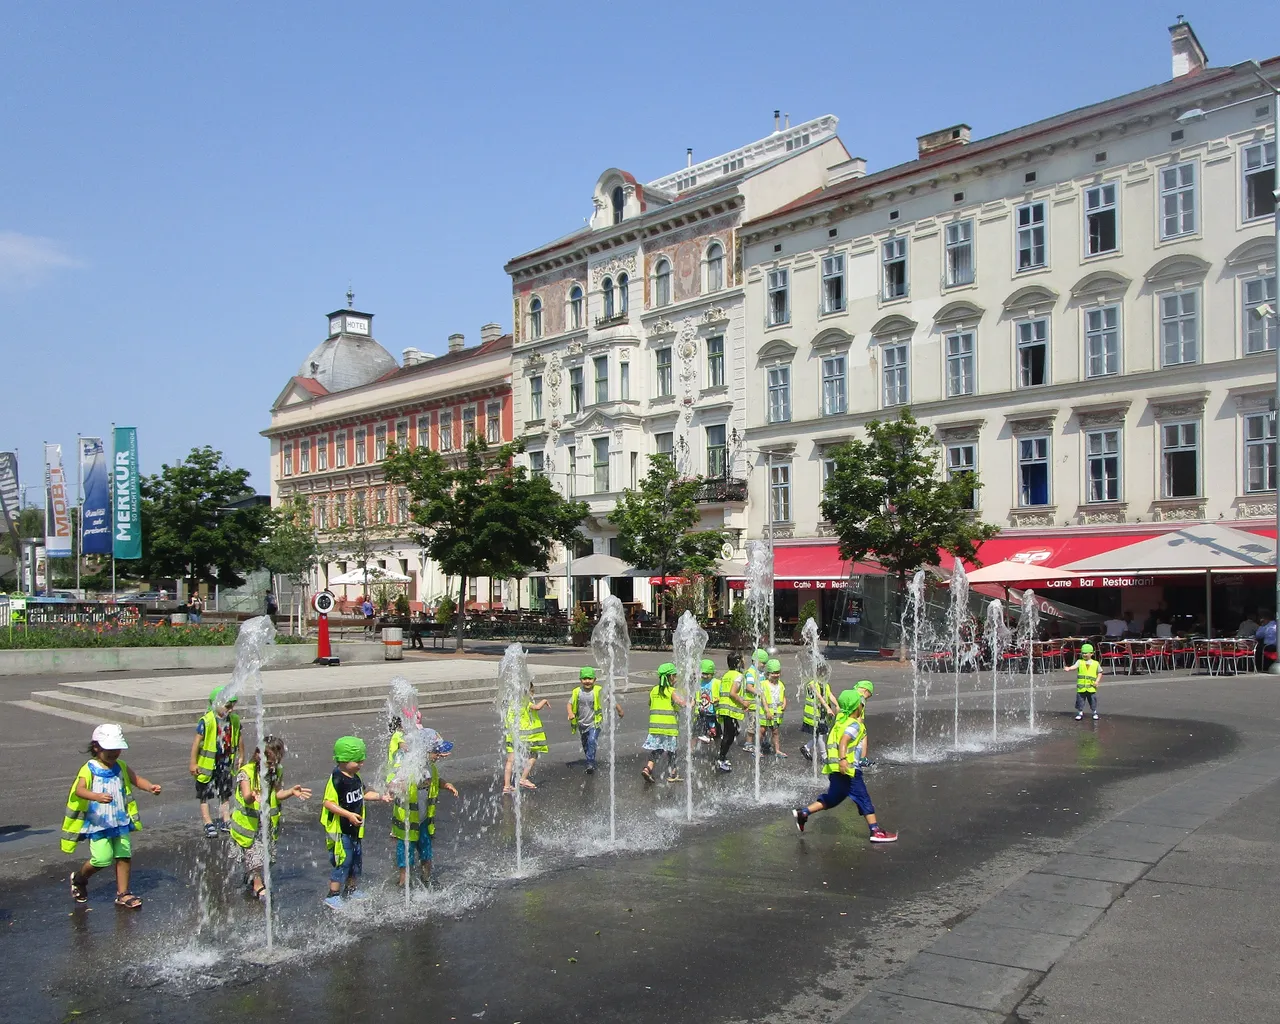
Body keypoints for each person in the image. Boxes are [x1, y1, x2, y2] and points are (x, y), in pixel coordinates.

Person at [63, 724, 162, 909]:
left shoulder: (121, 766)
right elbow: (80, 790)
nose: (114, 753)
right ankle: (79, 878)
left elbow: (136, 779)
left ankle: (123, 893)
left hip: (119, 820)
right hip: (99, 823)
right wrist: (97, 796)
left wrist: (150, 787)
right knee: (102, 859)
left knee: (124, 855)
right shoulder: (89, 768)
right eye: (109, 749)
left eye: (117, 749)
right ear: (96, 747)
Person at [792, 691, 897, 842]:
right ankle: (875, 831)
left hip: (834, 770)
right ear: (857, 708)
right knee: (863, 799)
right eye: (861, 704)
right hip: (848, 770)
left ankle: (803, 813)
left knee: (833, 798)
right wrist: (843, 759)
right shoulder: (854, 724)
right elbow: (844, 741)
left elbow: (840, 713)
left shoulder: (840, 721)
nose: (863, 706)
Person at [229, 736, 310, 900]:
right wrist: (252, 796)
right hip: (249, 824)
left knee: (267, 856)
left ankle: (252, 877)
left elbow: (278, 794)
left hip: (267, 822)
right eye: (269, 761)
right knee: (255, 855)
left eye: (275, 761)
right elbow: (245, 796)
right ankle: (259, 887)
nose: (272, 765)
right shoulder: (247, 772)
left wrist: (291, 792)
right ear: (259, 755)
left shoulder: (276, 770)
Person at [320, 735, 392, 909]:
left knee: (355, 860)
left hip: (354, 829)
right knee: (343, 860)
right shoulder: (337, 778)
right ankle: (333, 895)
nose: (361, 764)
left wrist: (381, 796)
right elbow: (328, 803)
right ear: (344, 760)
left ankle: (351, 890)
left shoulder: (355, 777)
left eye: (362, 760)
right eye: (357, 761)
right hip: (340, 829)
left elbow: (364, 794)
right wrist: (348, 815)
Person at [388, 727, 458, 888]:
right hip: (407, 821)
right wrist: (397, 787)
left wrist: (446, 784)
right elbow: (392, 782)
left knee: (426, 851)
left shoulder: (430, 767)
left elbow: (435, 779)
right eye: (436, 752)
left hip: (424, 820)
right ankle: (403, 882)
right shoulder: (408, 767)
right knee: (405, 853)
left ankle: (427, 878)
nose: (439, 755)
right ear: (423, 751)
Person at [188, 686, 244, 838]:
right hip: (207, 765)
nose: (231, 710)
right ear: (215, 703)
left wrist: (241, 755)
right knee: (204, 793)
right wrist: (193, 763)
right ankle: (207, 822)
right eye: (227, 706)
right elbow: (196, 742)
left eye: (232, 706)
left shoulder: (234, 720)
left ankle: (226, 820)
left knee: (224, 792)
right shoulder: (207, 721)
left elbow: (238, 737)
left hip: (225, 762)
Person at [567, 667, 623, 775]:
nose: (587, 681)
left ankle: (590, 763)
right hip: (581, 723)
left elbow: (611, 699)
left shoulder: (598, 690)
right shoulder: (577, 692)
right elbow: (569, 704)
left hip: (595, 722)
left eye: (590, 679)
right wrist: (570, 713)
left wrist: (619, 709)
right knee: (585, 744)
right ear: (580, 680)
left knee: (592, 740)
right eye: (584, 679)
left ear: (594, 680)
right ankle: (590, 758)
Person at [643, 663, 687, 784]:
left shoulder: (654, 690)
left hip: (655, 727)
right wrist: (691, 703)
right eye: (675, 676)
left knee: (657, 749)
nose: (676, 679)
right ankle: (673, 773)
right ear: (670, 677)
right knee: (672, 751)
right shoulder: (671, 691)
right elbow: (681, 703)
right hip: (669, 727)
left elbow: (649, 704)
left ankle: (648, 768)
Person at [504, 684, 551, 792]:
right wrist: (544, 701)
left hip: (512, 736)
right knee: (533, 754)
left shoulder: (511, 704)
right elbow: (537, 707)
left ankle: (506, 786)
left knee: (510, 760)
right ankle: (523, 779)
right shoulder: (525, 703)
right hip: (526, 736)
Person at [715, 652, 747, 772]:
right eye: (743, 660)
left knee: (730, 733)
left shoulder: (727, 675)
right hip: (730, 709)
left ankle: (722, 756)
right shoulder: (738, 676)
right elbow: (732, 693)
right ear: (738, 662)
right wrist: (743, 703)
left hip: (724, 708)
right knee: (729, 735)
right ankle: (721, 759)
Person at [799, 663, 837, 763]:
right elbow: (819, 697)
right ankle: (824, 756)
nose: (824, 676)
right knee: (820, 735)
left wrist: (837, 705)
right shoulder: (812, 684)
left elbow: (830, 695)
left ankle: (806, 748)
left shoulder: (825, 685)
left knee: (819, 735)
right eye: (823, 674)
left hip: (822, 715)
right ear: (818, 673)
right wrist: (828, 708)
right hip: (814, 715)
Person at [742, 648, 769, 753]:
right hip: (752, 704)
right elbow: (749, 687)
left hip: (760, 704)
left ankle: (763, 741)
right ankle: (748, 743)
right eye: (763, 663)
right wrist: (759, 692)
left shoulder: (760, 672)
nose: (764, 665)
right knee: (752, 724)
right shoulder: (751, 672)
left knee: (762, 723)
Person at [1064, 643, 1101, 720]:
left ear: (1091, 654)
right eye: (1083, 653)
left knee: (1093, 700)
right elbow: (1074, 666)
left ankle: (1094, 712)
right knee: (1080, 700)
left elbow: (1100, 672)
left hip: (1091, 687)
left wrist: (1097, 681)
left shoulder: (1095, 663)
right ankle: (1080, 712)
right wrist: (1069, 668)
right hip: (1081, 687)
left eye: (1086, 653)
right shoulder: (1079, 662)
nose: (1084, 655)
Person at [758, 659, 788, 758]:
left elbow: (783, 696)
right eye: (773, 673)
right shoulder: (763, 684)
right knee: (762, 731)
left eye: (777, 673)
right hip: (766, 712)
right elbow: (763, 699)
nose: (776, 675)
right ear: (768, 673)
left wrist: (784, 703)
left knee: (775, 731)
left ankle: (777, 750)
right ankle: (757, 748)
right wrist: (767, 711)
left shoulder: (781, 684)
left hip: (776, 713)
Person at [695, 659, 718, 747]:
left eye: (706, 674)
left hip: (712, 711)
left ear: (712, 674)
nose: (704, 676)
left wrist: (717, 699)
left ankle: (719, 752)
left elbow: (721, 694)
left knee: (714, 730)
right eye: (702, 673)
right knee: (698, 729)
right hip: (702, 710)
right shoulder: (699, 683)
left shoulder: (716, 682)